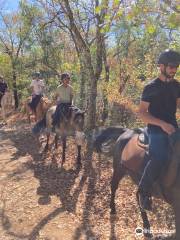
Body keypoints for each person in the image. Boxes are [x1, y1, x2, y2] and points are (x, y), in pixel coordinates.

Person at [138, 49, 180, 211]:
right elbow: (142, 113)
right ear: (161, 66)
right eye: (171, 66)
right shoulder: (150, 87)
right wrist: (162, 124)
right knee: (160, 158)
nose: (174, 69)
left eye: (176, 66)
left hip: (174, 128)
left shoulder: (177, 86)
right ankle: (144, 190)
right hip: (155, 129)